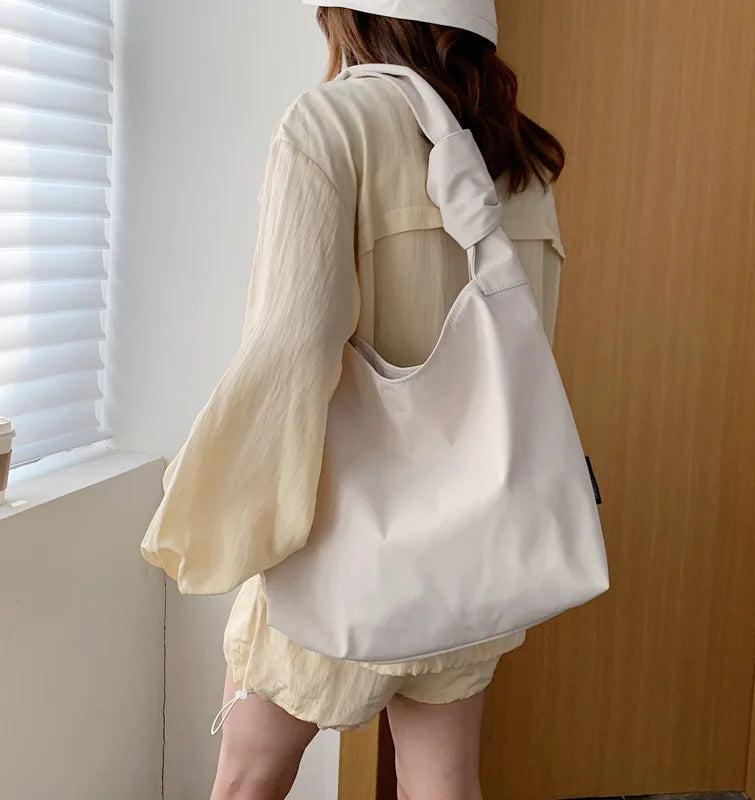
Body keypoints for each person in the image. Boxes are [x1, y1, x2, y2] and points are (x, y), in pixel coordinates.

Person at [141, 1, 567, 797]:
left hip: (338, 544)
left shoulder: (331, 125)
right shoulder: (518, 159)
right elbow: (528, 350)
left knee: (247, 779)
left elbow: (289, 350)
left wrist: (210, 511)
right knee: (443, 785)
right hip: (469, 551)